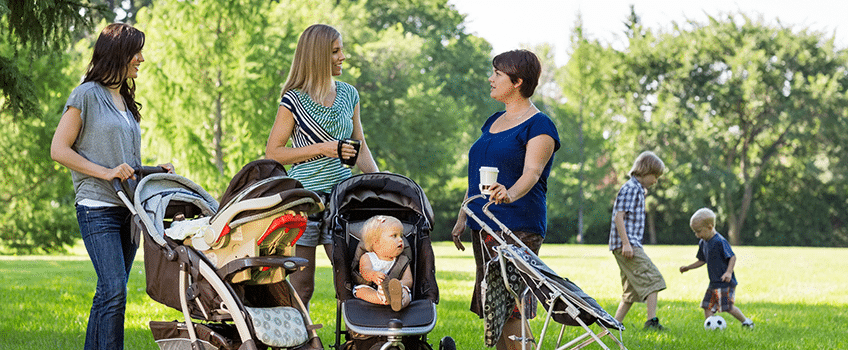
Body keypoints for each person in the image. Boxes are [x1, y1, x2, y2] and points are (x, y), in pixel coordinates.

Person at [50, 23, 173, 350]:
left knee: (109, 291)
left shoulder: (124, 98)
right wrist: (105, 173)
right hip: (96, 207)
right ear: (118, 54)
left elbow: (123, 161)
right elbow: (59, 149)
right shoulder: (86, 94)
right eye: (136, 52)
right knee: (114, 289)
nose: (141, 59)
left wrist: (154, 170)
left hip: (128, 210)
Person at [451, 49, 560, 350]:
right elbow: (478, 174)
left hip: (517, 225)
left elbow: (532, 172)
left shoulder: (539, 125)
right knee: (493, 308)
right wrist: (464, 214)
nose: (491, 78)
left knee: (513, 307)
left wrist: (509, 194)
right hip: (483, 224)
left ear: (517, 81)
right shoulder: (493, 121)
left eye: (497, 74)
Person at [265, 24, 379, 308]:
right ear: (317, 56)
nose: (343, 56)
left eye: (341, 50)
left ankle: (355, 339)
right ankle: (299, 341)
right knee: (302, 286)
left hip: (341, 199)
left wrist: (380, 182)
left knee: (351, 280)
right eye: (335, 51)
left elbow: (359, 145)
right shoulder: (293, 99)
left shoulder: (349, 94)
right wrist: (323, 149)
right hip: (303, 202)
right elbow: (274, 153)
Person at [608, 151, 667, 330]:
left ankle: (613, 325)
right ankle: (651, 322)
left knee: (630, 292)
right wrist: (626, 243)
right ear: (644, 171)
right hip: (627, 245)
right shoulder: (631, 188)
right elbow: (619, 217)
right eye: (654, 176)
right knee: (654, 280)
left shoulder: (638, 189)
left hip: (627, 244)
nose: (656, 180)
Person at [680, 208, 755, 328]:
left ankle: (746, 322)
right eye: (695, 232)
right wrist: (688, 267)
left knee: (727, 307)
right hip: (714, 283)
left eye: (698, 231)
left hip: (725, 282)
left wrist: (728, 273)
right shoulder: (703, 242)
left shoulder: (719, 241)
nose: (697, 235)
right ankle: (711, 327)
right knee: (707, 306)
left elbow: (732, 257)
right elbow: (702, 260)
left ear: (710, 227)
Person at [353, 215, 412, 312]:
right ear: (376, 242)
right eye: (394, 236)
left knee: (406, 292)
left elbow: (408, 280)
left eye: (401, 236)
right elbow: (365, 271)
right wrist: (373, 275)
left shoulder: (402, 261)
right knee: (361, 291)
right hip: (372, 288)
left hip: (395, 290)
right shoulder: (368, 257)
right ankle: (381, 299)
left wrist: (398, 285)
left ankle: (399, 302)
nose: (401, 240)